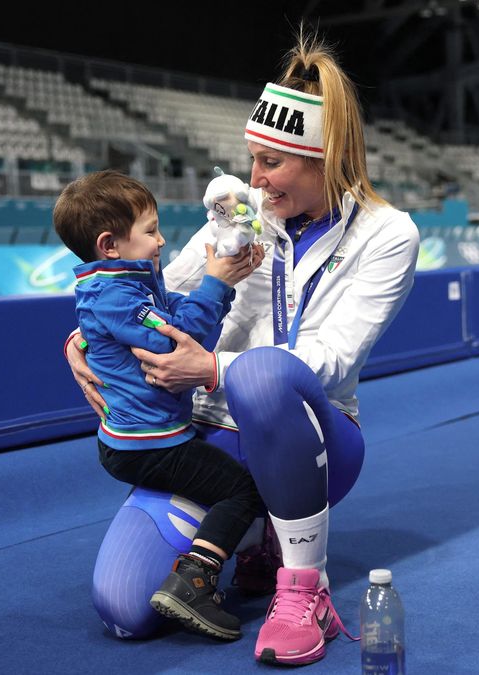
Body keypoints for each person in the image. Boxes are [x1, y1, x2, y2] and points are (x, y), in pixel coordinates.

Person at [66, 34, 420, 666]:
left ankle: (300, 588)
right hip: (209, 436)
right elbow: (154, 292)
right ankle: (256, 533)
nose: (255, 179)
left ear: (326, 158)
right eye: (252, 159)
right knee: (124, 608)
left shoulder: (388, 234)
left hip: (318, 434)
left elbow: (331, 357)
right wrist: (82, 340)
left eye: (272, 164)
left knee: (262, 377)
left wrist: (211, 367)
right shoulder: (240, 212)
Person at [52, 170, 267, 642]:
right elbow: (177, 343)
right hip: (148, 446)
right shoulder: (117, 294)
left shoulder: (123, 281)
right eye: (150, 231)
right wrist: (214, 285)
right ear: (109, 244)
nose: (162, 241)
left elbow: (164, 309)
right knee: (243, 492)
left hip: (145, 438)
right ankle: (195, 580)